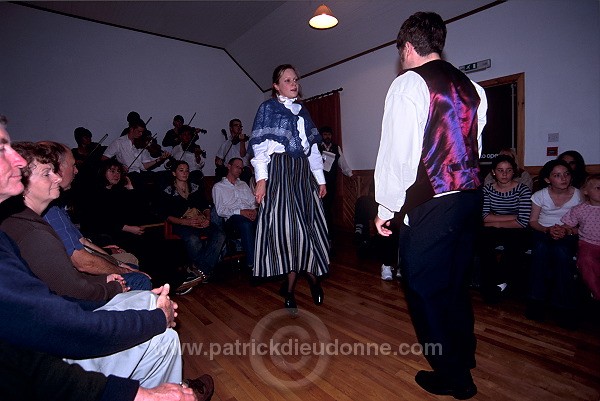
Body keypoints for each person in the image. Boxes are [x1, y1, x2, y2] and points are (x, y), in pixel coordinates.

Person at [0, 115, 211, 400]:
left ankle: (167, 384)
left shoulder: (30, 221)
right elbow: (63, 318)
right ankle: (172, 393)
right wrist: (120, 291)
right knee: (163, 332)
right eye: (3, 148)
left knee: (149, 293)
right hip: (56, 353)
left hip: (58, 332)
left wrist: (114, 270)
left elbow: (60, 287)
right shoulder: (30, 231)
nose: (59, 177)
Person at [374, 12, 487, 399]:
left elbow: (397, 154)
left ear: (407, 46)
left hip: (433, 205)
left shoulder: (408, 83)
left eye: (399, 50)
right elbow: (475, 146)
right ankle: (464, 356)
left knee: (425, 291)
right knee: (455, 287)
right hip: (471, 198)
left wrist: (386, 209)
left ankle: (454, 377)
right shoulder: (473, 87)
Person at [0, 142, 128, 301]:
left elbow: (65, 281)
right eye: (47, 174)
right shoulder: (35, 233)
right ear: (22, 184)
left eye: (55, 171)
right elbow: (69, 296)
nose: (58, 178)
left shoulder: (25, 220)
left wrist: (103, 280)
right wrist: (113, 287)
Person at [249, 64, 329, 313]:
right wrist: (262, 179)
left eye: (295, 79)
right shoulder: (267, 108)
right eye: (287, 80)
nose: (293, 84)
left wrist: (320, 178)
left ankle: (311, 282)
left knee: (308, 229)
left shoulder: (303, 110)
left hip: (302, 173)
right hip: (280, 173)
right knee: (288, 232)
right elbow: (260, 149)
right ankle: (293, 288)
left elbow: (313, 149)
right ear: (276, 85)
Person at [41, 141, 151, 291]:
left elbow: (82, 240)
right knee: (138, 272)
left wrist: (115, 261)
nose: (76, 171)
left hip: (104, 240)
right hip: (103, 237)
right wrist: (121, 268)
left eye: (118, 172)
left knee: (143, 248)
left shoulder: (56, 206)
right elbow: (83, 260)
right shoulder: (51, 208)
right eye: (73, 165)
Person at [527, 159, 583, 329]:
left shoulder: (579, 195)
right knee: (541, 250)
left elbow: (585, 223)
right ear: (547, 179)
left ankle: (565, 306)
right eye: (557, 175)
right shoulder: (540, 195)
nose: (563, 178)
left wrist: (567, 230)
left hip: (569, 232)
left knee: (562, 252)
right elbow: (533, 221)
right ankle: (536, 302)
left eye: (566, 174)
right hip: (543, 230)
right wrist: (547, 230)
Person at [478, 154, 532, 302]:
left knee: (516, 245)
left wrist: (493, 221)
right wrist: (513, 217)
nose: (504, 174)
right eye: (500, 170)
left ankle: (505, 283)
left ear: (514, 171)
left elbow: (523, 222)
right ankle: (494, 283)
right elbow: (483, 217)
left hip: (516, 230)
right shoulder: (487, 189)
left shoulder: (523, 190)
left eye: (508, 170)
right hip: (501, 226)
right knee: (482, 242)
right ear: (493, 172)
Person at [161, 160, 226, 282]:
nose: (185, 173)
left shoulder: (195, 187)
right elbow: (168, 216)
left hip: (200, 221)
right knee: (193, 238)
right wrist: (186, 222)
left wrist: (208, 218)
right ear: (174, 173)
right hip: (180, 223)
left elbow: (205, 206)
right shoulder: (168, 191)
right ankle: (203, 272)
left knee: (220, 234)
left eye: (187, 170)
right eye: (181, 170)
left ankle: (197, 270)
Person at [212, 157, 258, 270]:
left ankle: (270, 260)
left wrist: (254, 211)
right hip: (232, 219)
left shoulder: (243, 184)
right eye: (237, 167)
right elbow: (220, 210)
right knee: (245, 223)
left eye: (241, 168)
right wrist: (241, 212)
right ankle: (252, 265)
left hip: (248, 214)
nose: (239, 170)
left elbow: (252, 202)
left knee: (266, 220)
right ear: (229, 166)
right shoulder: (218, 187)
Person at [561, 174, 600, 300]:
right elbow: (567, 225)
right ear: (586, 191)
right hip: (588, 243)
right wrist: (565, 230)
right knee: (586, 262)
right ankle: (597, 293)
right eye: (598, 188)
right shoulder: (580, 209)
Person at [318, 125, 353, 235]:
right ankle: (322, 231)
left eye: (329, 134)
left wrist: (350, 174)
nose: (327, 137)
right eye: (325, 134)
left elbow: (342, 162)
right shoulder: (316, 147)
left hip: (332, 184)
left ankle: (329, 233)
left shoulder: (336, 148)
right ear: (321, 136)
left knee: (328, 207)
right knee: (321, 207)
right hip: (319, 184)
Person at [215, 119, 252, 183]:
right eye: (236, 125)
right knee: (219, 171)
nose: (238, 127)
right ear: (231, 128)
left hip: (242, 170)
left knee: (246, 171)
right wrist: (218, 161)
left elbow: (242, 154)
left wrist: (242, 141)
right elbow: (218, 157)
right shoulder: (226, 143)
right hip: (229, 170)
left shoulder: (245, 141)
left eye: (240, 126)